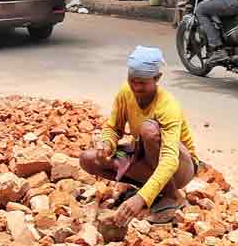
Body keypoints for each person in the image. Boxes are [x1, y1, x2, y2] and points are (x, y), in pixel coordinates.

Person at [79, 46, 199, 225]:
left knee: (148, 130)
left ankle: (172, 196)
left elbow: (169, 160)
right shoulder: (125, 92)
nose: (136, 87)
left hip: (180, 167)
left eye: (142, 83)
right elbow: (113, 128)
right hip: (144, 157)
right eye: (132, 81)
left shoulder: (168, 106)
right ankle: (156, 190)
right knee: (89, 159)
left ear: (157, 78)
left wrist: (141, 198)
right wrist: (107, 144)